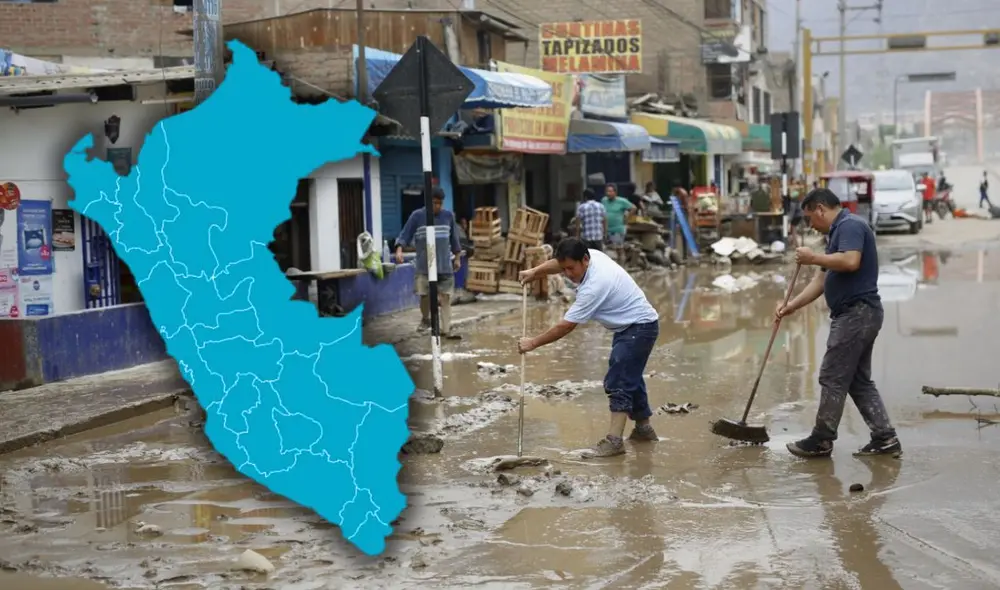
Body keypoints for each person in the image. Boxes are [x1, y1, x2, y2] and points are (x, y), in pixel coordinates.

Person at [776, 187, 901, 459]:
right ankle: (885, 437)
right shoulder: (836, 234)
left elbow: (850, 261)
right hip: (859, 315)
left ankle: (821, 439)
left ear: (821, 208)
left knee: (832, 375)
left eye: (811, 217)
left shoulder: (850, 225)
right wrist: (791, 306)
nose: (810, 224)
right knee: (857, 381)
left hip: (856, 314)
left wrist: (812, 257)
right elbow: (821, 280)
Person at [516, 238, 661, 458]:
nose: (568, 274)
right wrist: (535, 272)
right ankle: (643, 429)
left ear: (585, 260)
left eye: (571, 269)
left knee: (619, 380)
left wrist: (532, 343)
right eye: (564, 270)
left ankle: (614, 441)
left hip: (639, 328)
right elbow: (558, 263)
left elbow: (566, 326)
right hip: (631, 326)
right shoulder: (593, 256)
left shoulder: (594, 286)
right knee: (631, 377)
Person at [395, 187, 463, 339]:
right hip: (424, 266)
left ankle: (446, 330)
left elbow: (455, 239)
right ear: (427, 202)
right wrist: (399, 250)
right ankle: (425, 319)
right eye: (434, 203)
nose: (437, 206)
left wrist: (457, 258)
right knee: (424, 295)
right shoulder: (417, 216)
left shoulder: (448, 216)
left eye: (440, 203)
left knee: (445, 298)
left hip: (445, 265)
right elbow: (405, 234)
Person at [601, 183, 634, 261]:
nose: (608, 193)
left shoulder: (622, 201)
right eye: (607, 191)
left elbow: (633, 208)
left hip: (617, 230)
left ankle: (622, 268)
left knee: (619, 249)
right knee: (608, 251)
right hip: (607, 230)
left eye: (610, 191)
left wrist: (627, 218)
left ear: (615, 192)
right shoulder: (604, 200)